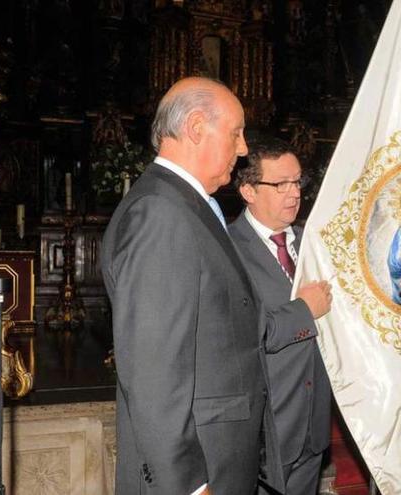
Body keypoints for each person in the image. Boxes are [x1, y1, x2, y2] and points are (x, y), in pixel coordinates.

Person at [101, 77, 280, 495]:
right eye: (236, 133)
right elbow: (154, 371)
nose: (243, 148)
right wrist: (189, 483)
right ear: (197, 127)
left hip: (219, 457)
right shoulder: (161, 214)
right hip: (195, 472)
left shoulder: (185, 205)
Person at [228, 138, 333, 495]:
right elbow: (245, 333)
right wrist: (304, 310)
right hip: (264, 431)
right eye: (280, 184)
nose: (294, 193)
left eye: (298, 182)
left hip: (313, 423)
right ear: (248, 190)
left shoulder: (314, 244)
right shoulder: (226, 250)